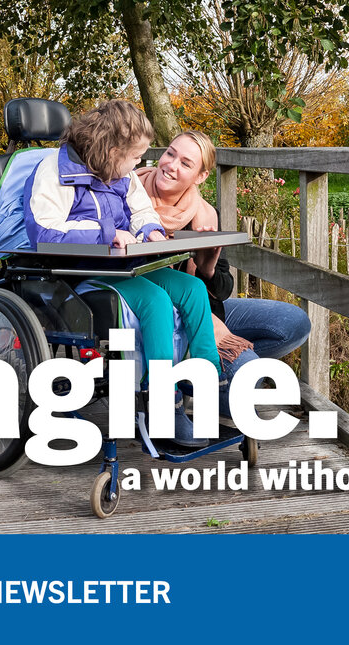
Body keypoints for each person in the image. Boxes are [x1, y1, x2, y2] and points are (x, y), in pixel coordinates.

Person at [22, 100, 218, 447]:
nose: (140, 164)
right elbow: (44, 233)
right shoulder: (53, 171)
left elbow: (141, 211)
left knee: (191, 289)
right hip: (78, 272)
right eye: (135, 156)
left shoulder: (121, 175)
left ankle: (205, 382)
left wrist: (152, 232)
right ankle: (163, 404)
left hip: (122, 265)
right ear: (112, 151)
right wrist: (105, 233)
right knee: (155, 300)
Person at [134, 130, 312, 414]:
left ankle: (202, 375)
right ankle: (204, 379)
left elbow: (223, 289)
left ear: (201, 177)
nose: (171, 165)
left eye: (186, 163)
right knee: (248, 381)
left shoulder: (204, 215)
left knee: (294, 322)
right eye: (170, 153)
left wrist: (207, 268)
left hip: (205, 312)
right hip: (153, 318)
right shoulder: (130, 197)